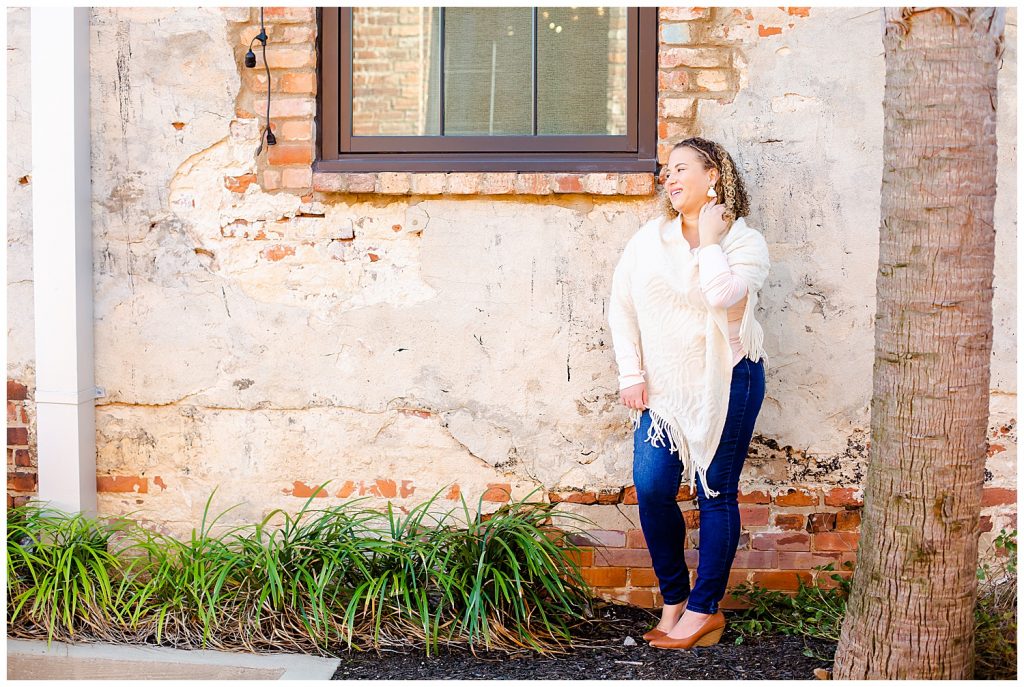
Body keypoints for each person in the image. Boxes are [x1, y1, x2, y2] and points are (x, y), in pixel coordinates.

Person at [607, 137, 771, 650]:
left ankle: (704, 611)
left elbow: (721, 297)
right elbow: (623, 306)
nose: (670, 179)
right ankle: (674, 599)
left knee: (715, 492)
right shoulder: (649, 240)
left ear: (713, 175)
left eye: (681, 169)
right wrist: (631, 374)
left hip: (728, 382)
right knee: (653, 489)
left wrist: (708, 242)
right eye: (666, 172)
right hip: (664, 393)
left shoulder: (745, 242)